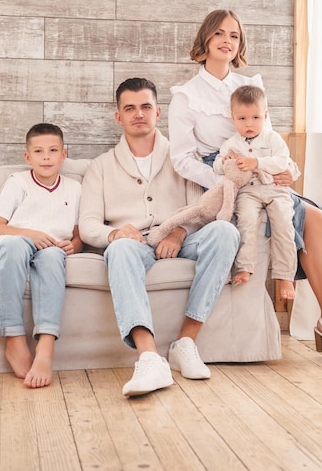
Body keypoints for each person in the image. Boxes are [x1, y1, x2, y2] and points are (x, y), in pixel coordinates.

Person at [168, 9, 322, 363]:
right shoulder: (186, 96)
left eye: (234, 35)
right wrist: (228, 178)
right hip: (226, 181)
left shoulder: (250, 86)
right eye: (219, 33)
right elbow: (183, 159)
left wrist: (286, 169)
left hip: (263, 171)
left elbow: (270, 139)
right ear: (205, 40)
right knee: (313, 222)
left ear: (240, 43)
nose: (226, 41)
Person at [79, 77, 240, 397]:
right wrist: (114, 233)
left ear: (158, 112)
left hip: (180, 237)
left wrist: (179, 231)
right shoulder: (100, 166)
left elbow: (201, 209)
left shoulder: (182, 158)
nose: (138, 113)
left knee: (225, 231)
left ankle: (186, 342)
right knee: (120, 250)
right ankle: (150, 357)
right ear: (119, 117)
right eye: (130, 108)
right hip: (134, 243)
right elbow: (87, 224)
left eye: (146, 107)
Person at [0, 123, 83, 388]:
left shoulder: (74, 188)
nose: (46, 157)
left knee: (52, 259)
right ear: (28, 157)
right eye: (38, 151)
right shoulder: (18, 183)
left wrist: (75, 244)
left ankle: (46, 347)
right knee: (15, 246)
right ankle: (14, 339)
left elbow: (77, 234)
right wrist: (30, 234)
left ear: (64, 154)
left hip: (51, 247)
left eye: (53, 150)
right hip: (17, 241)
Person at [213, 85, 297, 298]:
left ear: (265, 116)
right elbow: (216, 165)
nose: (249, 124)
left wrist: (256, 162)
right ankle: (244, 267)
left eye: (255, 118)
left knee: (284, 223)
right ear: (233, 118)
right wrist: (226, 162)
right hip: (248, 192)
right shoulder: (231, 143)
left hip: (275, 189)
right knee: (246, 221)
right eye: (242, 119)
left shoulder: (272, 138)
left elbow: (281, 161)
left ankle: (285, 276)